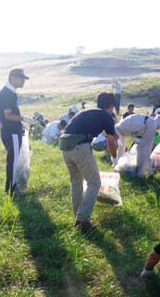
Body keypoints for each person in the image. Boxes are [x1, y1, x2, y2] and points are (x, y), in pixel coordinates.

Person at [59, 92, 118, 232]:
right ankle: (82, 219)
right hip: (80, 145)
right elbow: (111, 141)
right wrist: (115, 159)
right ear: (111, 105)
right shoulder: (106, 116)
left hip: (65, 146)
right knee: (94, 182)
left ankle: (78, 217)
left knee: (76, 182)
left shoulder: (86, 112)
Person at [0, 68, 33, 195]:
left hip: (12, 130)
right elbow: (8, 115)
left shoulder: (11, 92)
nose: (23, 81)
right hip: (11, 131)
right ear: (12, 77)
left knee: (14, 159)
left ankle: (12, 187)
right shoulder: (7, 93)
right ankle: (12, 189)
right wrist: (23, 118)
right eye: (21, 78)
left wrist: (20, 122)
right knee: (13, 160)